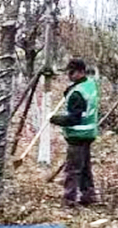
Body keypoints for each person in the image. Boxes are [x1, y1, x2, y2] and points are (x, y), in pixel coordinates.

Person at [50, 58, 100, 207]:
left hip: (77, 135)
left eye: (72, 73)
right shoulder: (90, 85)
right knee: (85, 168)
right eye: (68, 73)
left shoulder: (77, 93)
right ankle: (88, 195)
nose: (69, 76)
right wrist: (69, 91)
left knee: (73, 169)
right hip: (89, 133)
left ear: (81, 72)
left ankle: (69, 199)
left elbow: (73, 119)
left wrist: (55, 119)